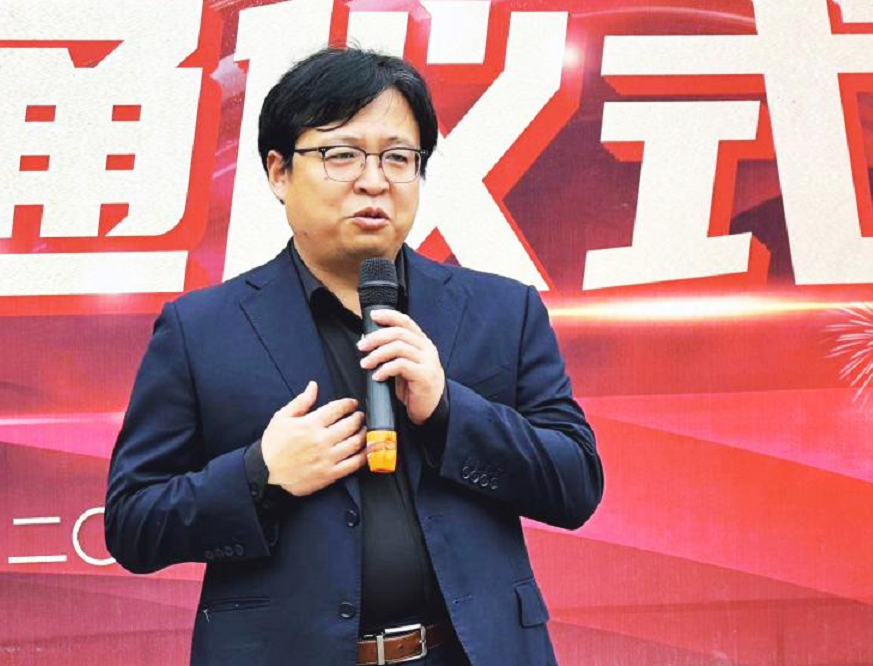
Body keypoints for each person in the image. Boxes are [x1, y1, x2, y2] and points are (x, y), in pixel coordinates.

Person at [104, 47, 604, 666]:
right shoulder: (201, 330)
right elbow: (133, 523)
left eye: (399, 157)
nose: (374, 181)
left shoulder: (502, 311)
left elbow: (576, 483)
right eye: (342, 154)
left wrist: (449, 411)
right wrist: (261, 473)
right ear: (279, 172)